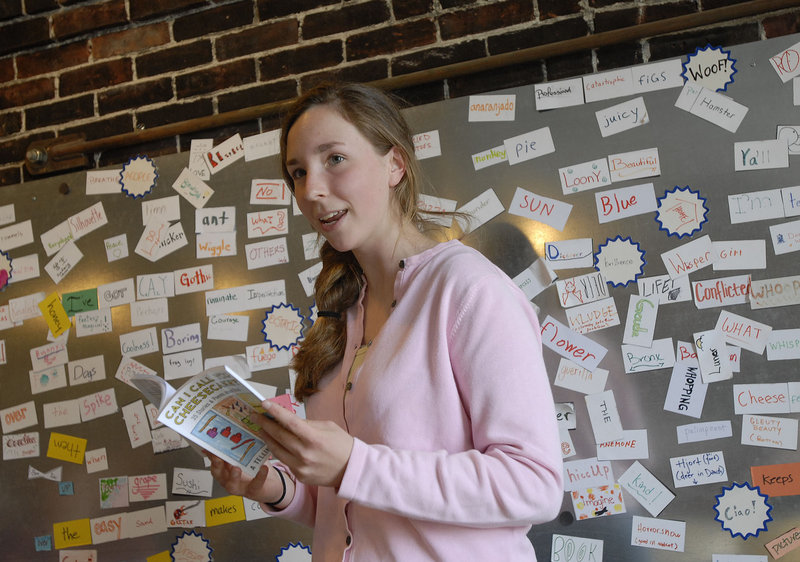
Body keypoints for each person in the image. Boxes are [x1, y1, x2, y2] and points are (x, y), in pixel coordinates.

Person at [208, 82, 563, 561]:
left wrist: (356, 463)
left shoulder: (468, 289)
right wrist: (271, 486)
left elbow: (534, 485)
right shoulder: (344, 306)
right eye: (298, 171)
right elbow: (353, 502)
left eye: (334, 158)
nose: (311, 189)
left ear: (395, 164)